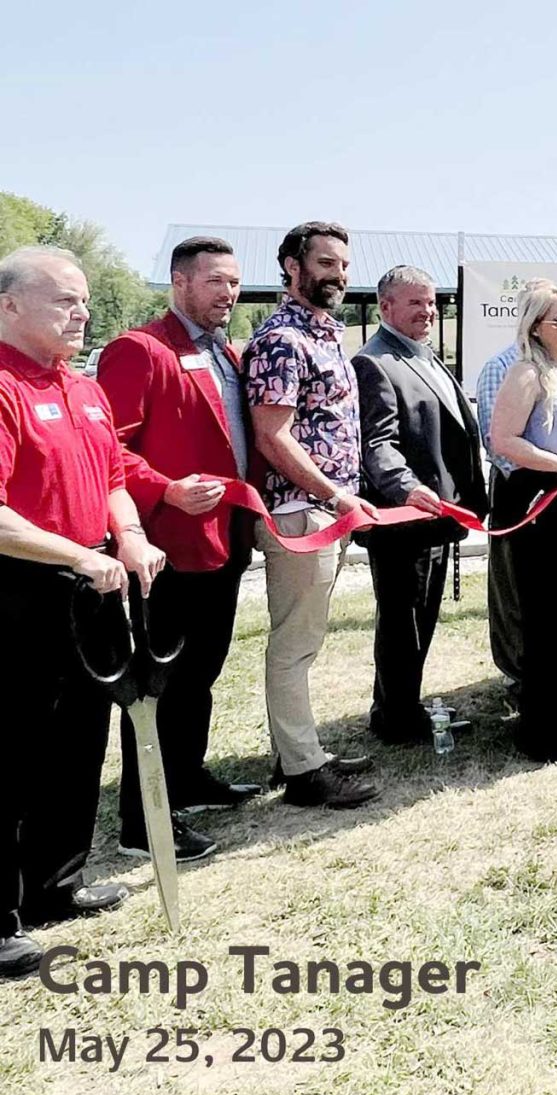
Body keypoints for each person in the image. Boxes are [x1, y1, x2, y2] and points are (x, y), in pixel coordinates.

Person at [0, 247, 163, 977]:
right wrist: (73, 552)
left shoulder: (86, 388)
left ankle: (55, 887)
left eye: (85, 300)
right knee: (14, 752)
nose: (83, 312)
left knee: (77, 741)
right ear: (9, 305)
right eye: (65, 299)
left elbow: (115, 478)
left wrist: (127, 535)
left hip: (93, 583)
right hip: (22, 590)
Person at [97, 235, 262, 865]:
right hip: (166, 545)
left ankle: (188, 779)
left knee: (202, 672)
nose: (229, 292)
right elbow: (108, 449)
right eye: (216, 281)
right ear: (179, 282)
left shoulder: (229, 354)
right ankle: (144, 822)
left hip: (224, 541)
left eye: (234, 282)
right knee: (161, 683)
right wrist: (164, 490)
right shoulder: (140, 351)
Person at [244, 221, 379, 808]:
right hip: (300, 514)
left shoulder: (325, 335)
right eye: (326, 263)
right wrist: (335, 494)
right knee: (294, 643)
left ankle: (294, 751)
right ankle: (303, 771)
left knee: (306, 638)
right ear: (292, 269)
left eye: (344, 265)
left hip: (326, 510)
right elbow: (274, 437)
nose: (339, 275)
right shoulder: (281, 339)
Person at [355, 266, 487, 744]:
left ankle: (396, 704)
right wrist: (405, 488)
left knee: (417, 619)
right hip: (404, 521)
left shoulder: (423, 356)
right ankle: (396, 718)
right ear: (386, 307)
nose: (427, 311)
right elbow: (377, 444)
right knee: (403, 621)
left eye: (431, 303)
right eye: (415, 303)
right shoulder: (375, 362)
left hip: (435, 520)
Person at [487, 286, 557, 761]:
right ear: (536, 326)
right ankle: (541, 731)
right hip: (540, 503)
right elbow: (504, 439)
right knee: (543, 620)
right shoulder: (526, 373)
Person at [476, 277, 555, 706]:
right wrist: (545, 475)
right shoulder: (504, 366)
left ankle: (543, 672)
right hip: (518, 494)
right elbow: (499, 444)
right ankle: (516, 673)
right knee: (512, 591)